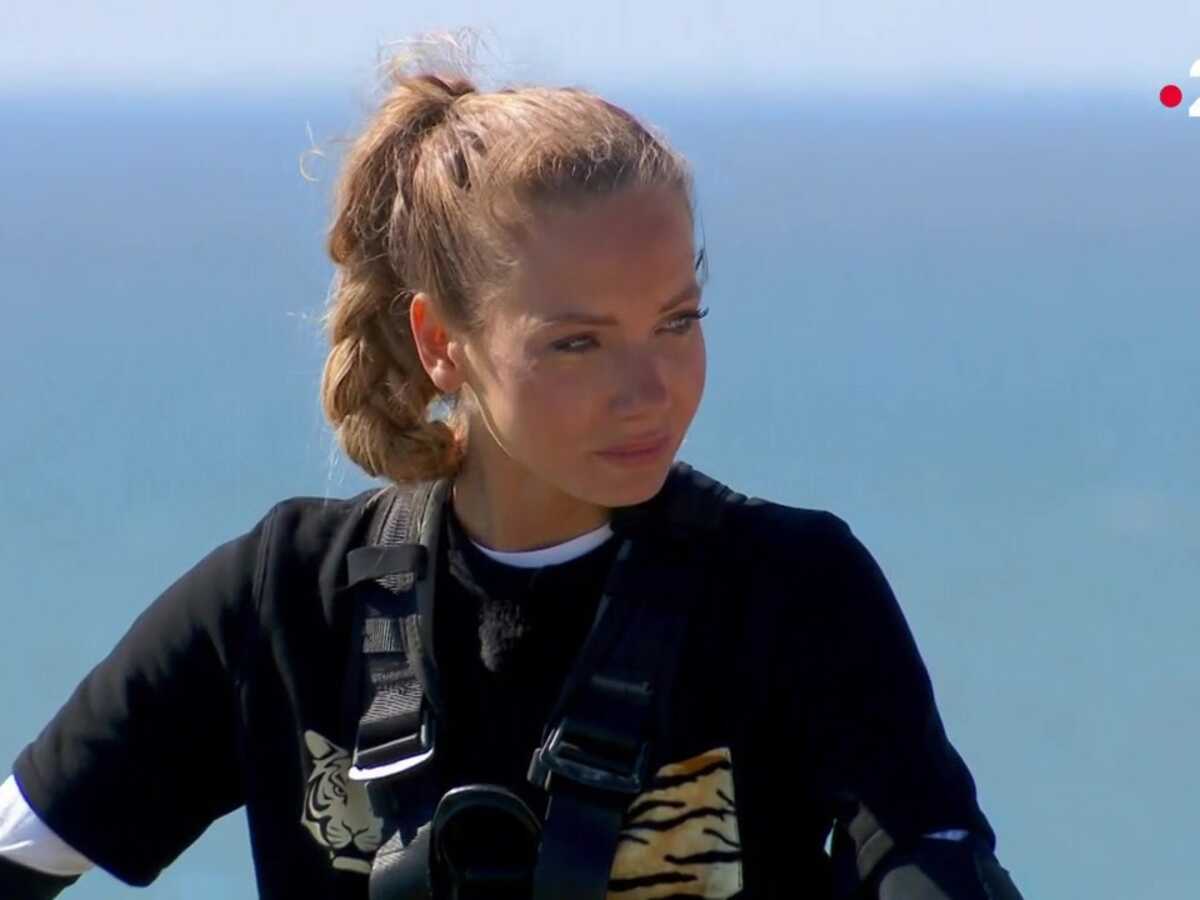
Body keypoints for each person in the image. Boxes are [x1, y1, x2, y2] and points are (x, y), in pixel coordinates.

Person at [0, 41, 1025, 900]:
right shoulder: (282, 600)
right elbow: (24, 845)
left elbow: (933, 866)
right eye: (577, 343)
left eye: (677, 323)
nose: (650, 389)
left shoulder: (794, 592)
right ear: (442, 344)